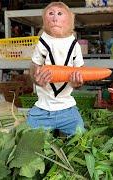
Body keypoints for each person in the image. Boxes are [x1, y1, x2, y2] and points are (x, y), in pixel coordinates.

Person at [26, 2, 85, 136]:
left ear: (70, 21)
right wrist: (36, 80)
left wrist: (78, 83)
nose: (54, 18)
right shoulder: (42, 42)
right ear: (44, 21)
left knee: (80, 136)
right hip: (42, 109)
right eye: (50, 13)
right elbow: (33, 69)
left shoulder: (74, 45)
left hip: (67, 108)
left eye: (59, 13)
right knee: (27, 138)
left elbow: (81, 72)